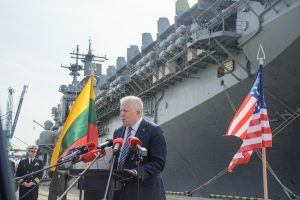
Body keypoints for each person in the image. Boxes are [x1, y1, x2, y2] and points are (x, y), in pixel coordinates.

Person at [112, 96, 167, 200]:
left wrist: (136, 172)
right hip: (119, 193)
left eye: (125, 111)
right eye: (121, 110)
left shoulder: (154, 131)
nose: (121, 114)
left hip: (144, 192)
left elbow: (158, 163)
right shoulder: (118, 132)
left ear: (138, 112)